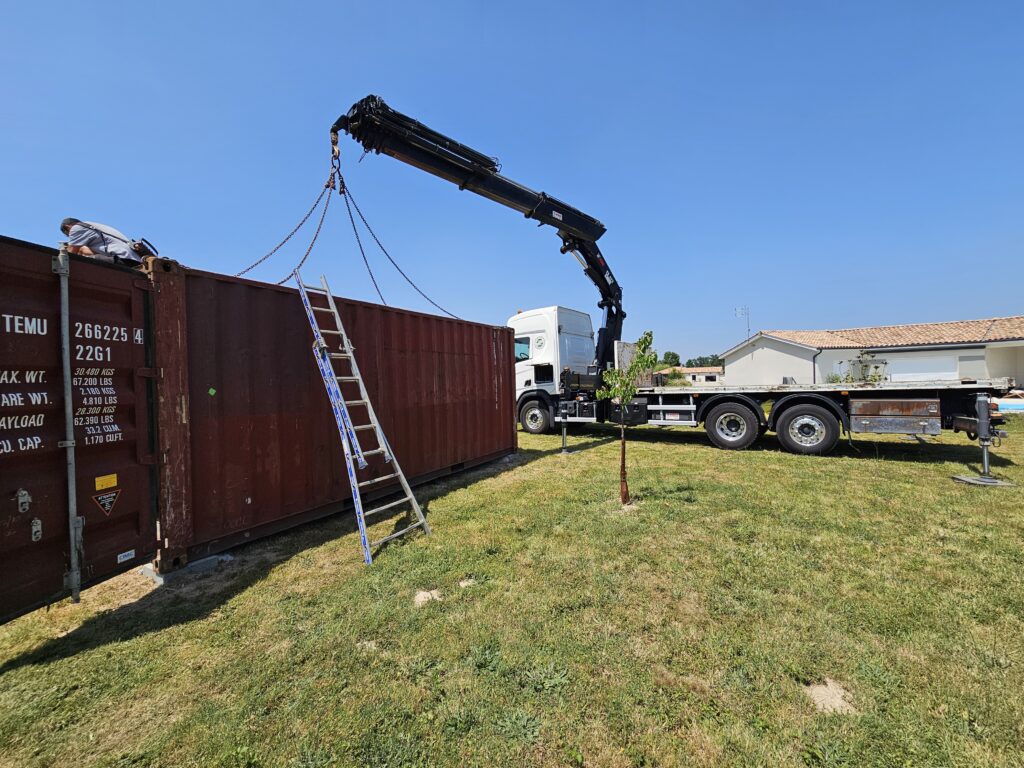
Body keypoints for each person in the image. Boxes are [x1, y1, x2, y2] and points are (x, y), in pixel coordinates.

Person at [59, 218, 143, 267]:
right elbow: (96, 252)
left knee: (84, 263)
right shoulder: (91, 226)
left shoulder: (77, 228)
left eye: (68, 235)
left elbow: (70, 255)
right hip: (133, 259)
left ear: (67, 227)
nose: (70, 237)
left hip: (123, 259)